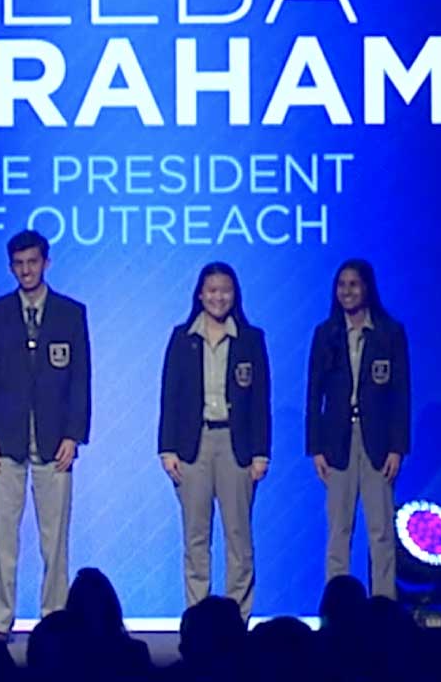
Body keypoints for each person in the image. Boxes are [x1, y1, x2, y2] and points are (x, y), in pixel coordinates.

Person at [0, 229, 91, 636]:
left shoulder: (71, 313)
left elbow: (80, 380)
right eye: (19, 264)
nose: (26, 270)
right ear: (11, 267)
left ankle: (55, 619)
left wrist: (74, 436)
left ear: (46, 263)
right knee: (3, 539)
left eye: (33, 262)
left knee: (54, 540)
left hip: (56, 443)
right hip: (4, 442)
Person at [158, 262, 271, 616]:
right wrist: (166, 448)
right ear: (200, 294)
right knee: (196, 538)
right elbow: (169, 395)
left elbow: (260, 400)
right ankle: (197, 616)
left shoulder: (251, 339)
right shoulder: (182, 337)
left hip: (236, 448)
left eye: (225, 290)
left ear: (234, 294)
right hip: (194, 446)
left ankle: (237, 619)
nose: (218, 297)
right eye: (211, 290)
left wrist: (261, 453)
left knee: (239, 539)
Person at [305, 258, 408, 598]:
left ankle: (383, 607)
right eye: (341, 285)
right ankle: (338, 608)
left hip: (377, 442)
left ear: (367, 288)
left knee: (380, 531)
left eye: (354, 284)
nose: (347, 291)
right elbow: (314, 394)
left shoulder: (390, 333)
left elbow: (400, 394)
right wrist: (315, 448)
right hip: (337, 443)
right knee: (339, 530)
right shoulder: (326, 333)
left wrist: (397, 448)